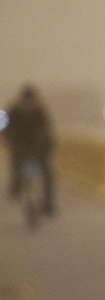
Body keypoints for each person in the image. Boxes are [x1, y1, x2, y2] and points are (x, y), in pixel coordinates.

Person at [4, 84, 55, 213]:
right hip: (29, 147)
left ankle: (18, 188)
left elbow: (46, 131)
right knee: (46, 173)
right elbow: (47, 131)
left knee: (20, 167)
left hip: (32, 147)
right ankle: (47, 202)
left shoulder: (21, 110)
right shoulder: (34, 110)